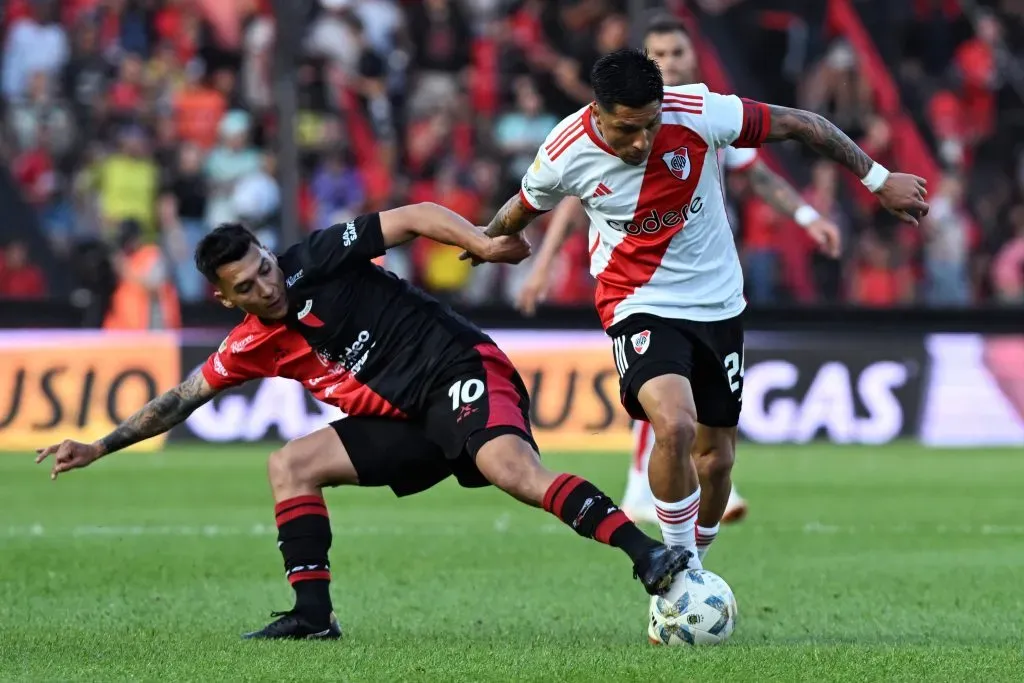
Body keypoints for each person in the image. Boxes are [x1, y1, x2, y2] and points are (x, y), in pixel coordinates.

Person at [35, 202, 691, 640]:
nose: (267, 285)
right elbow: (180, 397)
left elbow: (411, 216)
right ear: (226, 296)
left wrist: (481, 244)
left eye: (264, 268)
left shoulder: (317, 256)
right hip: (407, 421)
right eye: (249, 285)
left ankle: (647, 555)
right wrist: (99, 444)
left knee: (510, 468)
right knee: (289, 464)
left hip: (457, 367)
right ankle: (313, 616)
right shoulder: (250, 343)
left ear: (269, 254)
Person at [466, 48, 928, 571]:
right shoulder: (565, 150)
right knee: (675, 425)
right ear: (596, 113)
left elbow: (805, 124)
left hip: (718, 302)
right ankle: (677, 571)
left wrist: (877, 179)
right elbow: (519, 207)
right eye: (626, 130)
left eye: (650, 125)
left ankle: (694, 567)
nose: (641, 141)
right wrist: (485, 241)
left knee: (717, 460)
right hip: (637, 301)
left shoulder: (701, 111)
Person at [514, 17, 846, 529]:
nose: (670, 63)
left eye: (677, 54)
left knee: (697, 427)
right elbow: (565, 198)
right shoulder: (599, 135)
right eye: (659, 55)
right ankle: (647, 497)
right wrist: (541, 265)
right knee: (670, 409)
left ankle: (664, 501)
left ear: (692, 60)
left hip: (709, 286)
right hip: (638, 287)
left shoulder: (701, 113)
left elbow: (756, 173)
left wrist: (806, 217)